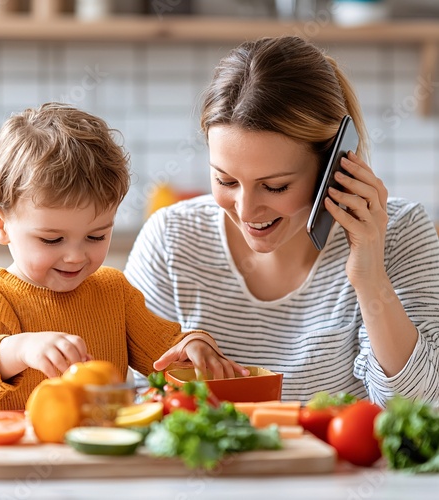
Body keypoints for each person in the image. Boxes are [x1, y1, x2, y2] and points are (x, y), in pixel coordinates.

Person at [124, 36, 439, 407]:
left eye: (274, 186)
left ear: (333, 166)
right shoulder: (170, 239)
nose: (245, 210)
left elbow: (422, 409)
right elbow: (134, 402)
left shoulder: (400, 232)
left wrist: (370, 278)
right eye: (225, 181)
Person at [0, 103, 247, 412]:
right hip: (19, 453)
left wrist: (192, 345)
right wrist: (17, 349)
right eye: (52, 239)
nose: (75, 257)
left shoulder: (115, 291)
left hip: (103, 451)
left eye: (96, 236)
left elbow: (164, 352)